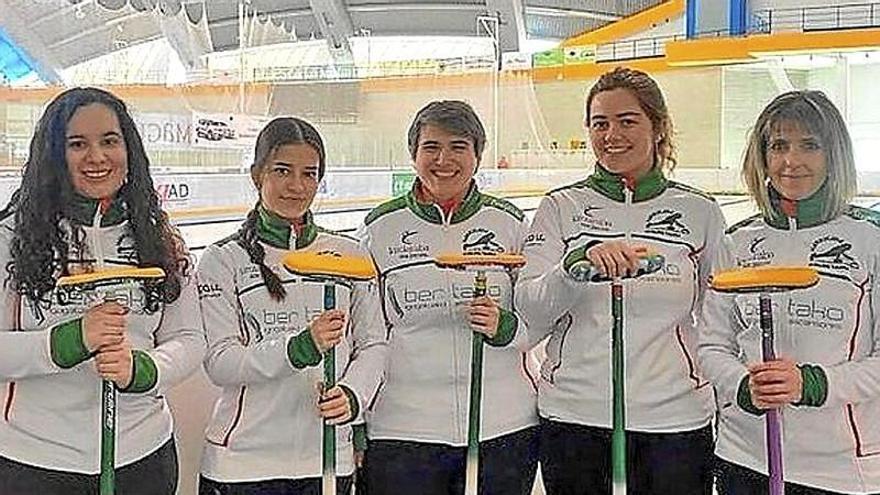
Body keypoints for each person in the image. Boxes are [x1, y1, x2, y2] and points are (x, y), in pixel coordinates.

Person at [516, 67, 727, 494]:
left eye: (627, 121)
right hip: (575, 417)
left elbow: (721, 317)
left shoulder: (700, 211)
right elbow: (530, 307)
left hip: (675, 419)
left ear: (658, 127)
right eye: (600, 123)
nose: (612, 134)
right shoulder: (560, 207)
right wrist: (575, 267)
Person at [0, 87, 204, 494]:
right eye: (78, 144)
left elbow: (189, 339)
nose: (97, 157)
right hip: (35, 461)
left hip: (143, 456)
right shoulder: (10, 238)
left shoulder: (158, 238)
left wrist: (146, 369)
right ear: (54, 156)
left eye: (109, 141)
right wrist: (64, 343)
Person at [699, 90, 880, 494]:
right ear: (762, 157)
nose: (791, 161)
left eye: (810, 146)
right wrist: (743, 387)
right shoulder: (737, 243)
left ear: (834, 155)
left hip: (842, 471)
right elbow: (711, 344)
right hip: (743, 458)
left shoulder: (870, 241)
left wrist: (812, 384)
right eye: (778, 146)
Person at [197, 116, 386, 494]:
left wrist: (353, 396)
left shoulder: (351, 255)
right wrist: (298, 348)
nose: (296, 186)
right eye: (282, 170)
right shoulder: (222, 259)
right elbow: (220, 362)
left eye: (309, 174)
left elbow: (374, 344)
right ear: (257, 175)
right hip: (242, 464)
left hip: (328, 458)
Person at [359, 100, 539, 495]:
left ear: (477, 155)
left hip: (502, 426)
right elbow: (366, 335)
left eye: (458, 147)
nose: (444, 159)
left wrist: (507, 326)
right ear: (413, 154)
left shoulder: (509, 223)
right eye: (431, 147)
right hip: (404, 429)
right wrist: (357, 423)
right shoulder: (380, 229)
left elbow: (540, 318)